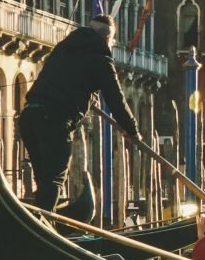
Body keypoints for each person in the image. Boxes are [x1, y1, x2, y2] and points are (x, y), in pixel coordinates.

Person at [16, 12, 138, 210]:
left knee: (44, 182)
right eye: (112, 40)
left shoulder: (63, 49)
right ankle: (45, 225)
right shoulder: (101, 60)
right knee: (53, 180)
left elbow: (66, 80)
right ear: (107, 38)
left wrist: (88, 98)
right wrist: (132, 130)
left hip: (29, 117)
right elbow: (116, 100)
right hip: (54, 121)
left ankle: (45, 222)